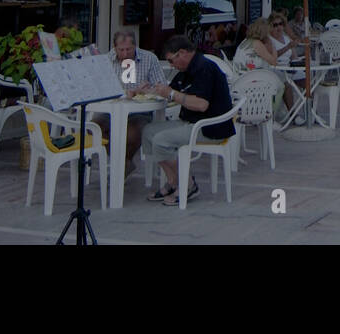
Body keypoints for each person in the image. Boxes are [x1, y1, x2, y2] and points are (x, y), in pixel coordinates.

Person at [141, 35, 234, 205]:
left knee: (161, 140)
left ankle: (189, 184)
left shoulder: (205, 68)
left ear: (182, 53)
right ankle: (173, 181)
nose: (171, 65)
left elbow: (201, 105)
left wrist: (171, 94)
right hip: (191, 122)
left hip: (210, 126)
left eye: (171, 60)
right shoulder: (186, 71)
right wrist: (146, 90)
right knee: (148, 132)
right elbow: (171, 90)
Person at [93, 29, 167, 177]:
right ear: (115, 48)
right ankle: (124, 163)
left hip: (139, 111)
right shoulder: (107, 59)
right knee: (93, 129)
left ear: (135, 46)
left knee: (132, 134)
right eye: (121, 50)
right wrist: (127, 92)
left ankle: (121, 165)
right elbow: (99, 87)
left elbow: (161, 86)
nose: (125, 54)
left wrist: (146, 90)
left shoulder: (149, 58)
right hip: (111, 110)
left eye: (129, 49)